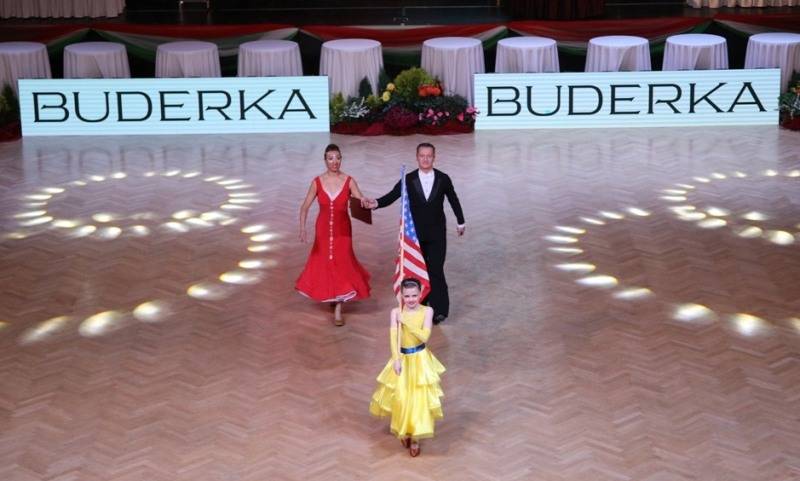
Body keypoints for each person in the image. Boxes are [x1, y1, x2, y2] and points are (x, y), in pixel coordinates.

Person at [363, 142, 464, 324]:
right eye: (422, 156)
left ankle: (440, 310)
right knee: (418, 272)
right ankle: (421, 308)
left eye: (429, 156)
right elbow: (393, 194)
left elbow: (453, 199)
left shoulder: (443, 178)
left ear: (434, 157)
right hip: (415, 236)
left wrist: (461, 221)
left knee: (436, 270)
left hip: (437, 234)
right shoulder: (408, 179)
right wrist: (376, 203)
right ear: (417, 157)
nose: (425, 159)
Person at [369, 278, 445, 457]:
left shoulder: (427, 311)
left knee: (418, 398)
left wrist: (407, 322)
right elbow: (393, 337)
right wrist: (396, 359)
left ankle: (416, 438)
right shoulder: (396, 312)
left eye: (414, 295)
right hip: (402, 358)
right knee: (402, 397)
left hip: (420, 359)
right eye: (407, 296)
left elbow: (424, 337)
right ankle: (404, 430)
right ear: (401, 296)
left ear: (421, 294)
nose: (411, 299)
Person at [296, 144, 370, 326]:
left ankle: (338, 307)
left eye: (337, 158)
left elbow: (360, 200)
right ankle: (332, 295)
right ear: (325, 160)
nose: (334, 162)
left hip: (343, 230)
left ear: (341, 159)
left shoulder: (349, 181)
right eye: (330, 158)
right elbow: (304, 206)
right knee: (325, 261)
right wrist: (303, 228)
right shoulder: (317, 182)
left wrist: (365, 202)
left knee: (342, 262)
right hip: (322, 230)